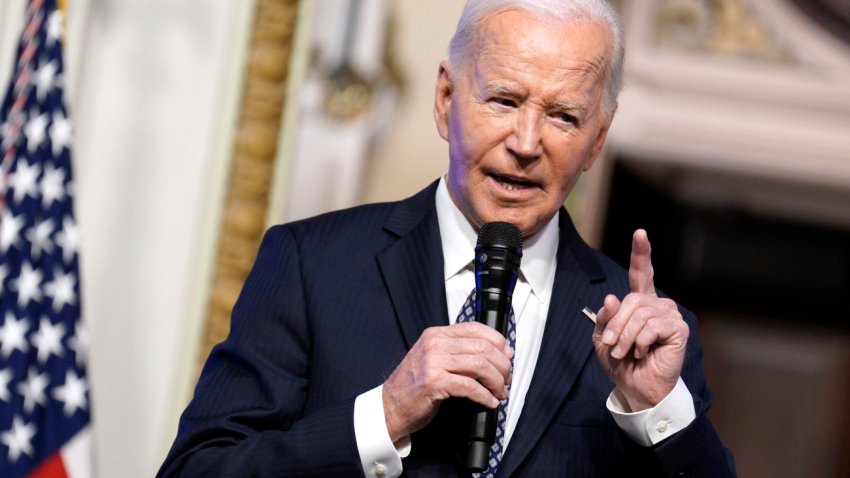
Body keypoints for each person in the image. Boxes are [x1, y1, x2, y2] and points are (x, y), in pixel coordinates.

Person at [158, 1, 736, 476]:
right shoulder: (313, 265)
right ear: (445, 99)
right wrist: (383, 415)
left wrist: (659, 410)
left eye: (563, 116)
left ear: (596, 140)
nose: (527, 142)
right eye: (504, 100)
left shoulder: (647, 339)